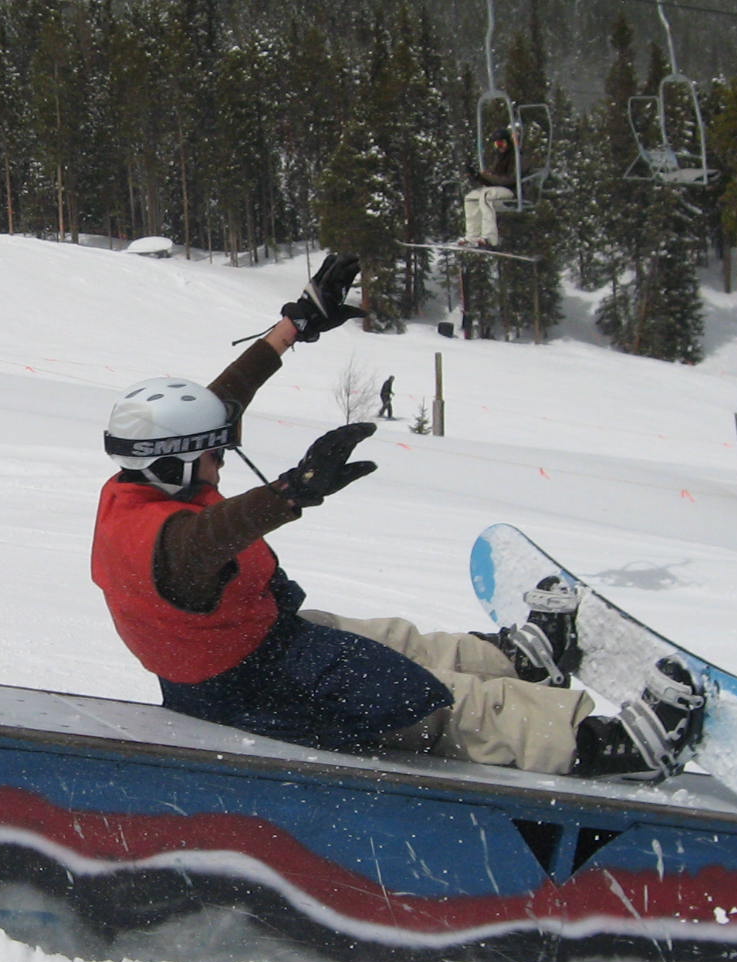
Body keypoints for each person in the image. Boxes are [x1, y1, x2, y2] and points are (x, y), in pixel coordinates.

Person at [91, 253, 703, 782]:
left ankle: (521, 660)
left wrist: (294, 326)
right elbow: (210, 538)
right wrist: (293, 491)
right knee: (435, 702)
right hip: (249, 688)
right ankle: (613, 746)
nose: (222, 455)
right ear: (173, 465)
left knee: (388, 639)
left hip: (254, 642)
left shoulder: (143, 482)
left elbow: (220, 401)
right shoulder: (170, 544)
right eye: (212, 452)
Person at [461, 125, 520, 248]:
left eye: (502, 144)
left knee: (486, 196)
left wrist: (488, 177)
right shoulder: (499, 158)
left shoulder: (518, 156)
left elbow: (510, 180)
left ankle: (489, 238)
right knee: (470, 198)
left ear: (508, 142)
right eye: (497, 145)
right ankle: (472, 236)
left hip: (513, 190)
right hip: (499, 189)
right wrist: (476, 176)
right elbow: (491, 180)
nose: (500, 147)